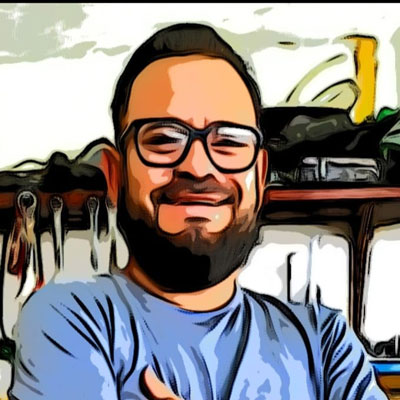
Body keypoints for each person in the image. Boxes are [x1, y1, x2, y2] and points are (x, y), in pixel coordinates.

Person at [8, 23, 387, 400]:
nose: (198, 166)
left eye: (229, 142)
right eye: (163, 139)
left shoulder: (324, 343)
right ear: (114, 175)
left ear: (259, 176)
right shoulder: (68, 321)